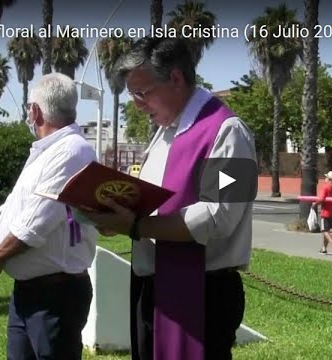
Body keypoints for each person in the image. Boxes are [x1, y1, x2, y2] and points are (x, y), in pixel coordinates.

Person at [84, 37, 256, 360]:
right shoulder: (165, 133)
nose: (137, 104)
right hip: (153, 286)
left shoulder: (229, 132)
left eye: (142, 93)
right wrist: (117, 214)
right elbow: (150, 200)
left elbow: (220, 215)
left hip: (202, 292)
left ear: (176, 79)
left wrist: (137, 225)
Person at [0, 73, 98, 360]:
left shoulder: (72, 150)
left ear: (35, 111)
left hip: (55, 296)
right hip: (30, 293)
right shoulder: (46, 151)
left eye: (28, 109)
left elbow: (36, 223)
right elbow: (13, 206)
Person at [312, 171, 332, 257]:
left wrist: (315, 204)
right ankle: (324, 248)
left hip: (326, 213)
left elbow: (322, 199)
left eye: (326, 177)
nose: (325, 179)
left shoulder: (326, 187)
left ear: (329, 179)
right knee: (327, 230)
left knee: (324, 230)